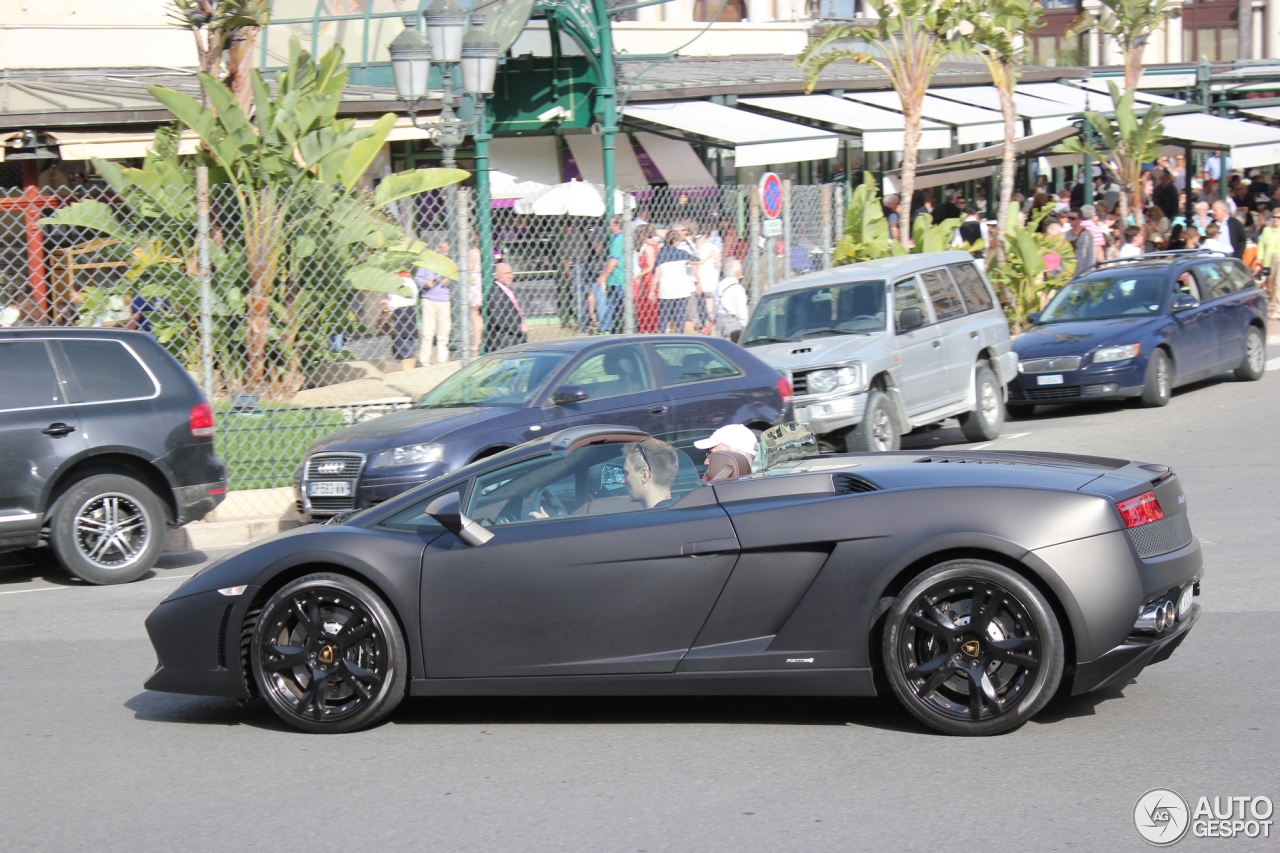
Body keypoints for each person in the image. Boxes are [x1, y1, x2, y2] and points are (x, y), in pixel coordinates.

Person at [651, 231, 696, 334]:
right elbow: (696, 261)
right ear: (676, 241)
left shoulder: (661, 254)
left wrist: (652, 290)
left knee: (663, 317)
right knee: (679, 317)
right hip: (681, 290)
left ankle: (661, 336)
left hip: (666, 291)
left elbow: (656, 275)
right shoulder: (682, 253)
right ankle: (681, 336)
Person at [415, 242, 452, 365]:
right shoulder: (427, 262)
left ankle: (442, 360)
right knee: (428, 332)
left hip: (444, 300)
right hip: (429, 299)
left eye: (446, 250)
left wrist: (448, 280)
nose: (444, 252)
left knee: (444, 332)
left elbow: (455, 277)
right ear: (438, 249)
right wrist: (426, 282)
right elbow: (418, 278)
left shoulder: (449, 264)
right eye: (442, 248)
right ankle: (425, 361)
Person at [622, 438, 680, 509]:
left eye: (626, 473)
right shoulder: (685, 510)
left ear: (644, 475)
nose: (623, 481)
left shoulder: (648, 519)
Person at [484, 263, 529, 352]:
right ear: (496, 275)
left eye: (511, 273)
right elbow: (497, 320)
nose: (510, 276)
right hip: (504, 342)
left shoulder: (505, 290)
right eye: (506, 273)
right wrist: (518, 328)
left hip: (513, 339)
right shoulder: (495, 292)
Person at [383, 270, 419, 371]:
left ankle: (407, 372)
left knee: (405, 349)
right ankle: (409, 369)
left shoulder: (399, 282)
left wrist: (387, 303)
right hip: (410, 312)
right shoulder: (410, 280)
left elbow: (396, 302)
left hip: (401, 313)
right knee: (408, 345)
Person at [595, 216, 626, 335]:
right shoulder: (618, 238)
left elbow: (613, 260)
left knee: (617, 304)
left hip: (619, 278)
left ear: (617, 226)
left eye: (611, 225)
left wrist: (603, 276)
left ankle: (605, 328)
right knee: (613, 304)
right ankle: (605, 328)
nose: (609, 227)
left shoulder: (619, 239)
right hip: (616, 278)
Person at [711, 258, 748, 340]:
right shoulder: (738, 288)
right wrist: (743, 325)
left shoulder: (719, 285)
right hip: (732, 321)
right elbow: (741, 309)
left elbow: (715, 304)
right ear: (737, 272)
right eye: (741, 269)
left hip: (720, 320)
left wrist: (713, 317)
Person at [693, 424, 759, 470]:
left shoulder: (730, 488)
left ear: (735, 458)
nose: (706, 462)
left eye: (713, 455)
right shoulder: (759, 485)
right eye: (709, 455)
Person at [1065, 209, 1098, 274]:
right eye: (1069, 218)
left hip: (1083, 270)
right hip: (1070, 271)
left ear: (1080, 219)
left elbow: (1091, 253)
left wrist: (1089, 271)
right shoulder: (1068, 234)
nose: (1070, 220)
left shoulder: (1086, 234)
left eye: (1073, 218)